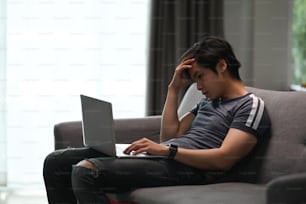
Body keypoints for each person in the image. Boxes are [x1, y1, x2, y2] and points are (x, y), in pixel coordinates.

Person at [43, 36, 271, 204]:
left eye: (201, 77)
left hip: (194, 171)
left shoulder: (250, 105)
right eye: (194, 80)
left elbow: (224, 160)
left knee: (86, 171)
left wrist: (167, 151)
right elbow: (171, 137)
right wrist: (174, 89)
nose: (198, 87)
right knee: (56, 163)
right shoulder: (208, 102)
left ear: (222, 66)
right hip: (168, 160)